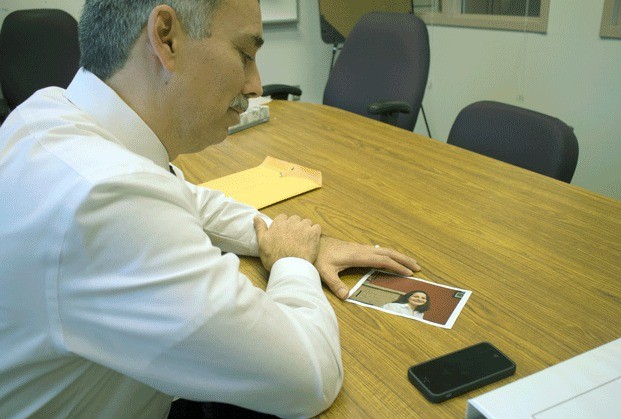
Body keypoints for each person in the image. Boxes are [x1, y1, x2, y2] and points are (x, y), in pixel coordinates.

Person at [0, 0, 421, 417]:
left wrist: (289, 236)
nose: (256, 85)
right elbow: (310, 377)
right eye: (244, 54)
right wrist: (294, 262)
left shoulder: (47, 113)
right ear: (166, 38)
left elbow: (187, 197)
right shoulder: (107, 199)